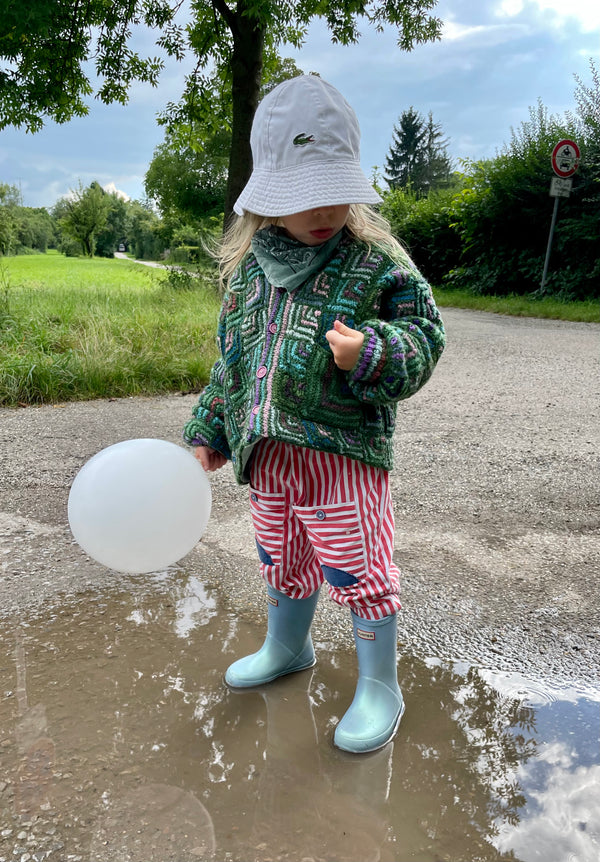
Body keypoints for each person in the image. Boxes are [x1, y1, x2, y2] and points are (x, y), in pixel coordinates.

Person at [183, 74, 446, 753]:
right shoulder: (248, 274)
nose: (323, 209)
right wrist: (211, 429)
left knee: (359, 567)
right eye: (303, 197)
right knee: (281, 555)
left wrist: (371, 352)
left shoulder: (376, 267)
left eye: (336, 190)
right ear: (266, 201)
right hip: (269, 458)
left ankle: (379, 683)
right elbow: (232, 362)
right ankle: (287, 645)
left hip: (343, 457)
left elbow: (424, 338)